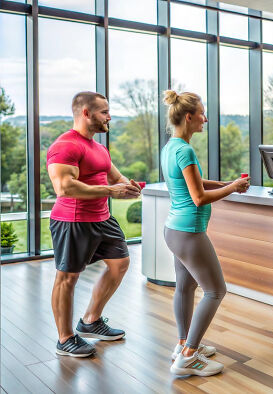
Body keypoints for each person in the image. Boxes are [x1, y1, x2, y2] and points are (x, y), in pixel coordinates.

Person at [161, 90, 250, 377]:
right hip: (189, 232)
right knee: (215, 290)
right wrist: (232, 189)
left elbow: (193, 181)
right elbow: (198, 197)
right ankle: (188, 358)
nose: (206, 119)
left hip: (174, 229)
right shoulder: (185, 150)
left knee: (185, 287)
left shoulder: (171, 147)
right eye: (202, 113)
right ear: (189, 117)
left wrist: (226, 182)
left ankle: (183, 344)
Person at [47, 91, 142, 357]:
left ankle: (90, 320)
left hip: (102, 218)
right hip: (73, 220)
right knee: (68, 277)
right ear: (86, 113)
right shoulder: (65, 145)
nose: (109, 117)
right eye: (104, 112)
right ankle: (65, 339)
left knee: (120, 264)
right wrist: (112, 192)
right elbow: (64, 187)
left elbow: (114, 176)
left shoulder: (99, 148)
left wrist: (128, 186)